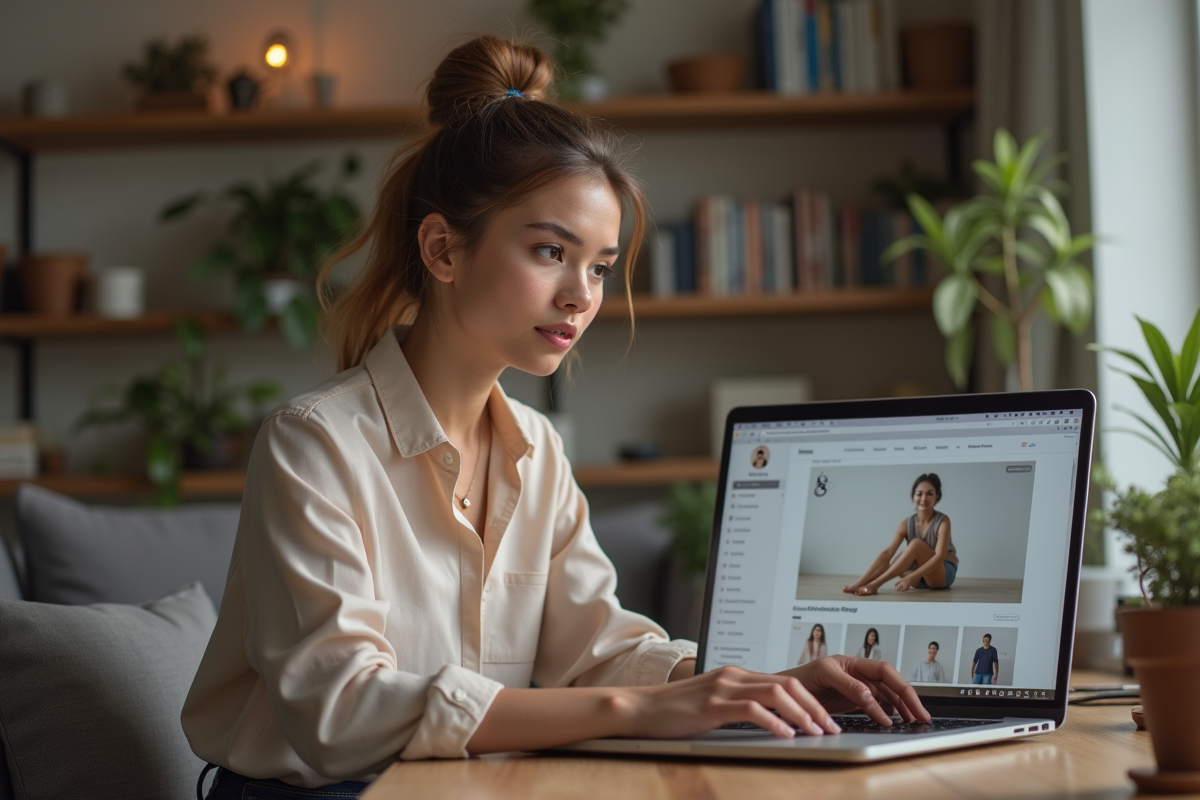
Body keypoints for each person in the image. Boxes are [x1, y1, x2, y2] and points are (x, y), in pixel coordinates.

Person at [180, 36, 929, 799]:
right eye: (549, 251)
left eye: (600, 266)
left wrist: (758, 680)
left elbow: (596, 646)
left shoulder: (536, 447)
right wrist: (638, 709)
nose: (582, 295)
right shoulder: (314, 443)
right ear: (442, 249)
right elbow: (338, 710)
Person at [842, 473, 959, 597]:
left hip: (941, 573)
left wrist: (914, 576)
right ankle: (862, 584)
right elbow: (887, 554)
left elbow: (940, 557)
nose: (923, 498)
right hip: (917, 577)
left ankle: (875, 585)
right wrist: (859, 582)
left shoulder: (943, 521)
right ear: (913, 496)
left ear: (937, 496)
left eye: (929, 494)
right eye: (919, 494)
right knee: (900, 556)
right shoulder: (906, 524)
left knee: (915, 545)